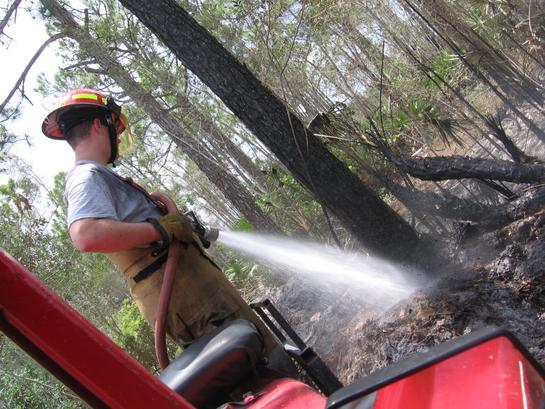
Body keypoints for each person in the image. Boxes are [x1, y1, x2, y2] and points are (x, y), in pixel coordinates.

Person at [41, 88, 276, 353]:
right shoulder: (86, 176)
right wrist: (160, 228)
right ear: (99, 124)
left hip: (193, 292)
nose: (117, 139)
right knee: (254, 368)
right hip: (186, 300)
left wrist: (166, 221)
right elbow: (86, 234)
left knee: (262, 356)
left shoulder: (101, 176)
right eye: (115, 131)